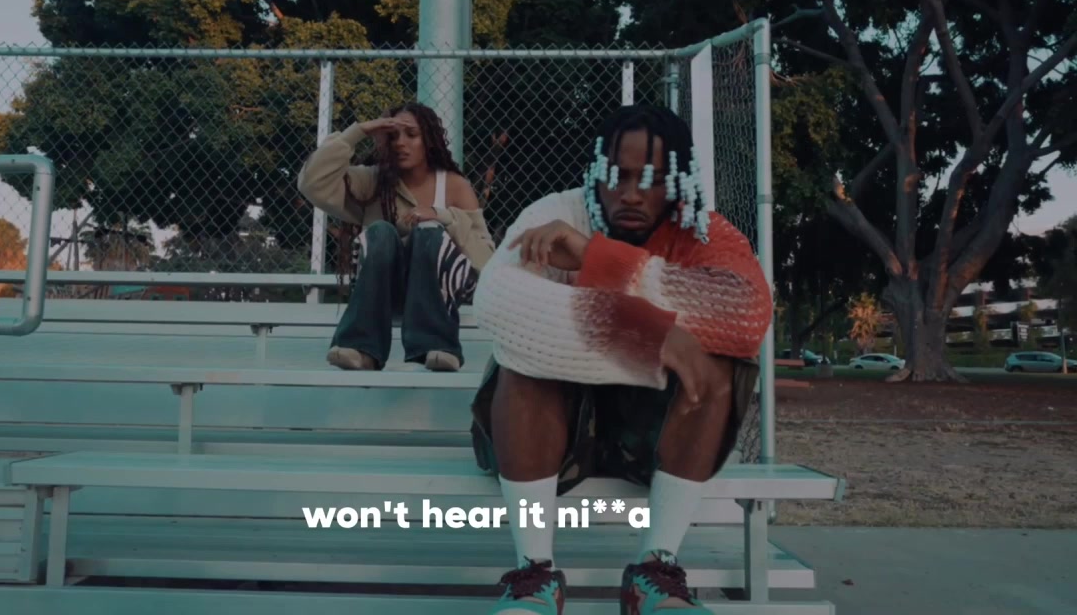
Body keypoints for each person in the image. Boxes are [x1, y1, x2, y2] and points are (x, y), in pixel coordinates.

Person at [468, 104, 774, 614]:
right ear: (596, 173)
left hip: (648, 437)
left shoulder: (702, 230)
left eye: (651, 180)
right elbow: (498, 302)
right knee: (523, 359)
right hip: (547, 431)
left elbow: (744, 315)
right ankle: (534, 577)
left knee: (719, 364)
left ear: (679, 182)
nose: (631, 194)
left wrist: (597, 260)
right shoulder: (555, 213)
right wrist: (651, 335)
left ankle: (654, 571)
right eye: (618, 176)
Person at [297, 102, 495, 372]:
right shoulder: (373, 181)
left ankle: (438, 345)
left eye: (411, 135)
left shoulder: (454, 185)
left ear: (429, 140)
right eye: (392, 136)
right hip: (386, 287)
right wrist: (359, 131)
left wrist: (441, 216)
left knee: (428, 231)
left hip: (443, 289)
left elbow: (485, 257)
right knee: (380, 231)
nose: (400, 143)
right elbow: (311, 183)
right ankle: (361, 349)